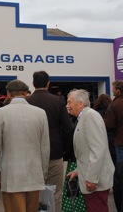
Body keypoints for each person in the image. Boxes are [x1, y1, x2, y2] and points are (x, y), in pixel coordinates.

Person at [0, 79, 50, 212]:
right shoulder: (40, 113)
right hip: (35, 175)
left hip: (12, 176)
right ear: (25, 93)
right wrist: (43, 173)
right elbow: (45, 147)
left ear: (9, 94)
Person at [27, 70, 72, 212]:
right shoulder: (58, 101)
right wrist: (66, 150)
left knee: (33, 193)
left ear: (33, 84)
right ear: (48, 83)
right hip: (54, 152)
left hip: (32, 155)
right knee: (55, 193)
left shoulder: (27, 102)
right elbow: (67, 128)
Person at [66, 89, 114, 212]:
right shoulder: (84, 117)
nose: (67, 106)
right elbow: (86, 151)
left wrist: (92, 178)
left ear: (80, 103)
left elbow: (98, 149)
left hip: (95, 181)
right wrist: (78, 171)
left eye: (69, 102)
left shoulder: (90, 116)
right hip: (90, 176)